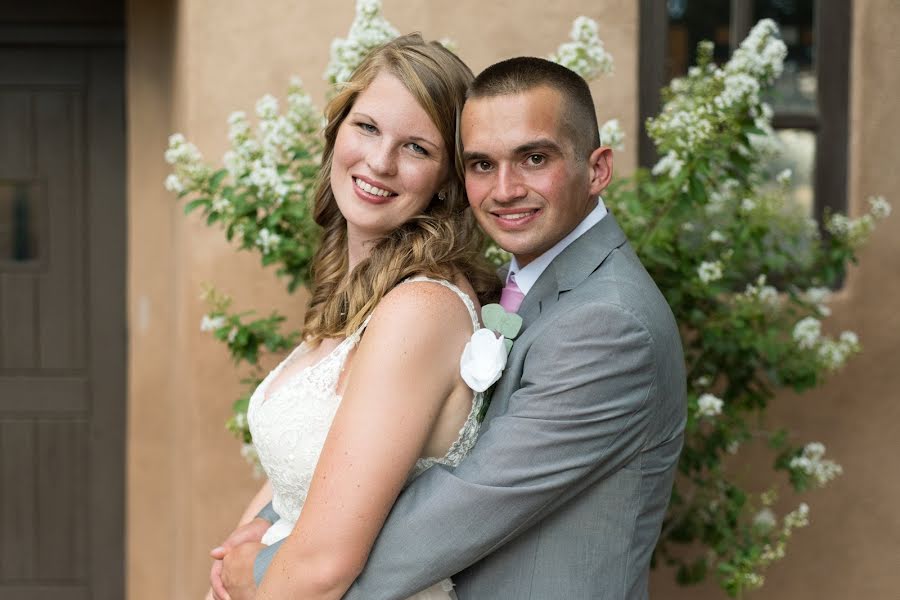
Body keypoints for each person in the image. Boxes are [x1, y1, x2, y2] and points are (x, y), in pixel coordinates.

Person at [222, 56, 687, 600]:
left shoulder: (608, 324)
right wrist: (266, 530)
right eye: (482, 165)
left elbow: (456, 510)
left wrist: (259, 572)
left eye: (534, 158)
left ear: (598, 168)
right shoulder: (526, 283)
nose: (505, 188)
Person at [207, 33, 499, 600]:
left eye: (417, 147)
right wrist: (233, 558)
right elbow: (300, 475)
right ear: (337, 130)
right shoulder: (359, 291)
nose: (380, 162)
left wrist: (250, 577)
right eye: (366, 128)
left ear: (448, 180)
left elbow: (325, 568)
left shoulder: (422, 309)